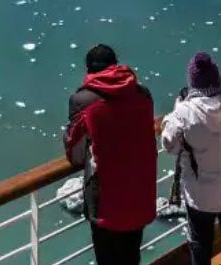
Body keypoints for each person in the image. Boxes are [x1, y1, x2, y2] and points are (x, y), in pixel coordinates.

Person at [64, 44, 157, 265]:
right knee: (132, 255)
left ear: (88, 69)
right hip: (138, 192)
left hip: (106, 198)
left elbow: (76, 154)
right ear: (115, 65)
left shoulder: (82, 101)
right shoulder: (142, 94)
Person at [161, 53, 221, 265]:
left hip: (201, 194)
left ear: (192, 82)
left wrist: (170, 116)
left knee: (201, 244)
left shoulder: (184, 112)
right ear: (217, 79)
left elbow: (169, 144)